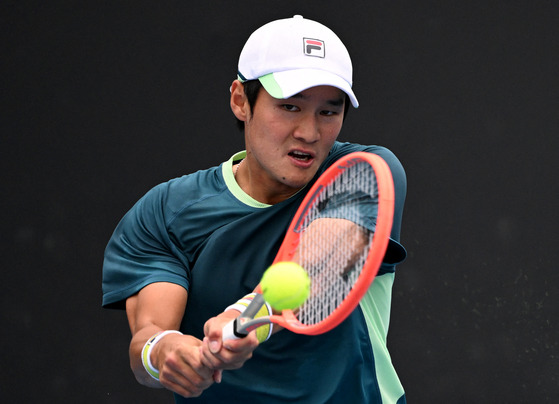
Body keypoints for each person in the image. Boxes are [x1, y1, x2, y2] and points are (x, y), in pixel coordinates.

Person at [102, 15, 408, 403]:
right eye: (289, 107)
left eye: (328, 112)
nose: (309, 132)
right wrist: (168, 352)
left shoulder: (364, 173)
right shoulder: (167, 212)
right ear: (239, 100)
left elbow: (322, 259)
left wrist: (246, 318)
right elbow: (147, 336)